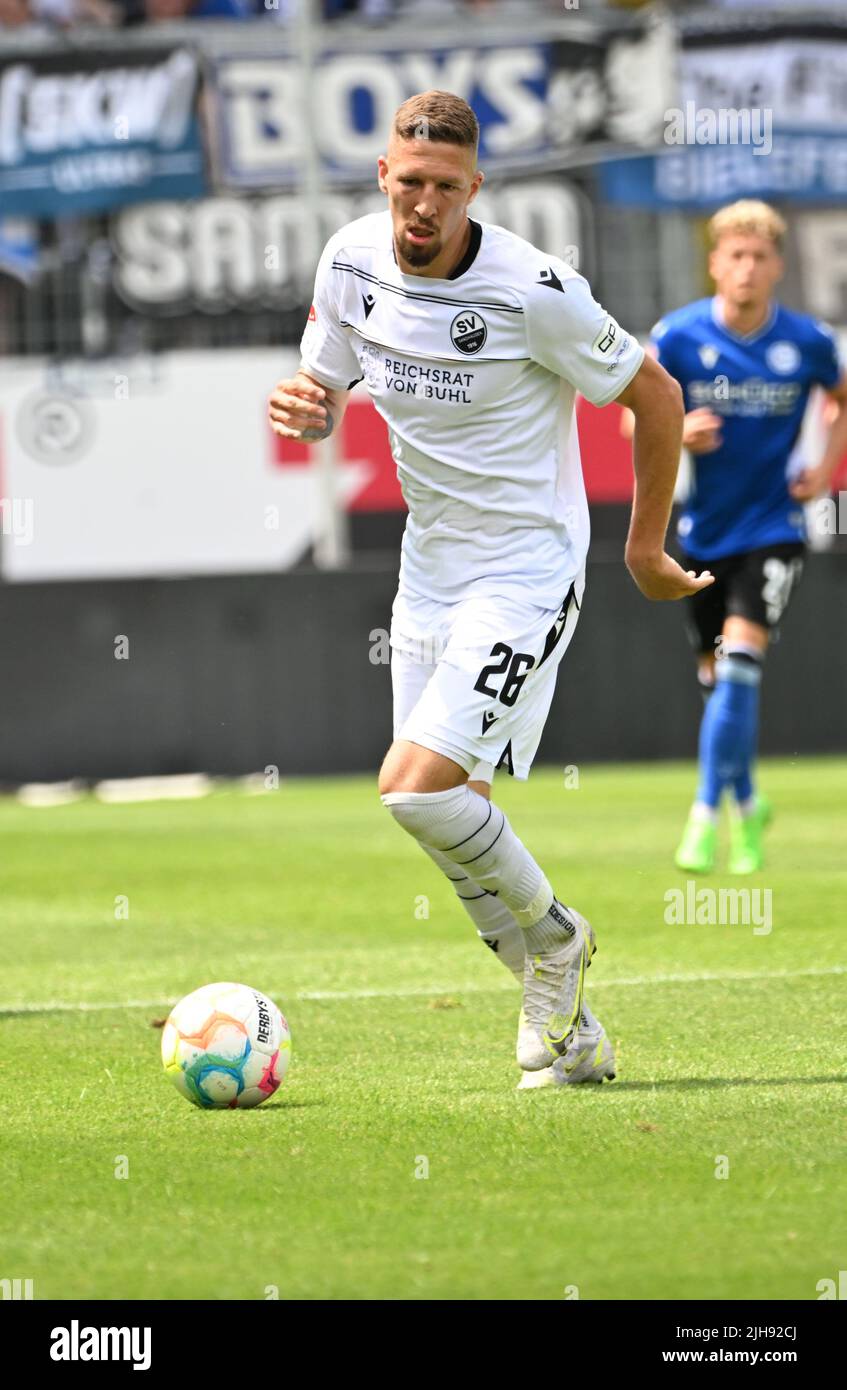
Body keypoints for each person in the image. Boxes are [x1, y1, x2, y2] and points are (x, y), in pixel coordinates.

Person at [268, 90, 711, 1088]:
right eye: (407, 183)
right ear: (384, 177)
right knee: (447, 811)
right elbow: (321, 388)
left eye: (443, 188)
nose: (421, 206)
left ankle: (557, 941)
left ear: (476, 188)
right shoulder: (347, 262)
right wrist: (305, 409)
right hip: (428, 567)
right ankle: (574, 1029)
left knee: (408, 788)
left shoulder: (534, 290)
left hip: (524, 567)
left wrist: (644, 547)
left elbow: (657, 396)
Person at [625, 200, 847, 874]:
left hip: (775, 530)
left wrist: (825, 467)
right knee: (721, 685)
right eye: (734, 256)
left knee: (741, 669)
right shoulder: (681, 335)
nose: (747, 268)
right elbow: (630, 422)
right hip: (701, 536)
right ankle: (748, 806)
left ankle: (702, 816)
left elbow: (839, 398)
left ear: (776, 265)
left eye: (758, 256)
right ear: (715, 264)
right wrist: (676, 427)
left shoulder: (805, 341)